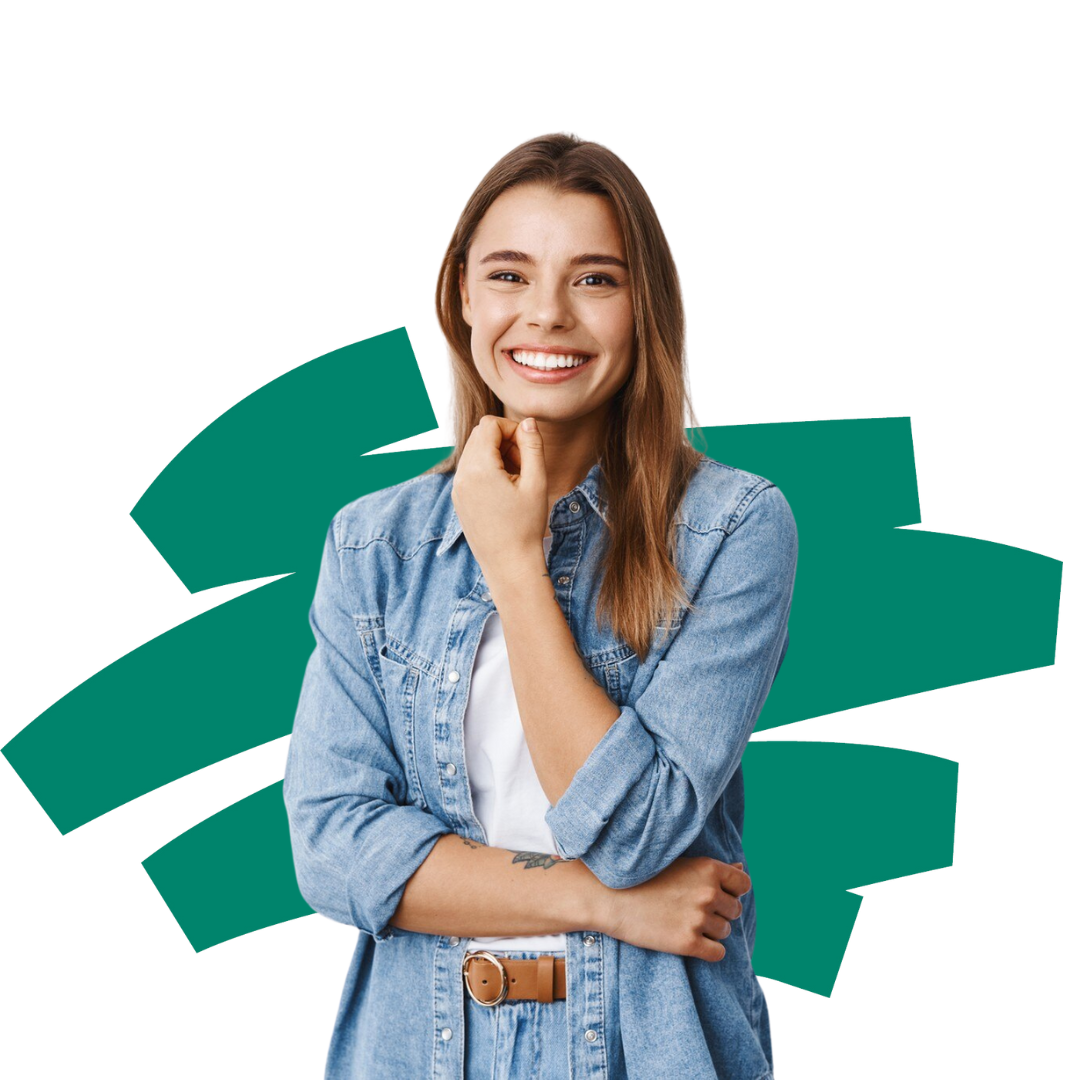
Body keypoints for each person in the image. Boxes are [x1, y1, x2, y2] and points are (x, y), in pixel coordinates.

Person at [283, 130, 797, 1079]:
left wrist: (515, 564)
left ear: (646, 308)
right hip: (415, 1051)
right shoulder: (373, 544)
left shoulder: (732, 528)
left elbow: (637, 830)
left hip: (650, 1048)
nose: (547, 316)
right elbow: (336, 853)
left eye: (596, 280)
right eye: (511, 275)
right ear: (463, 298)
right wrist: (602, 902)